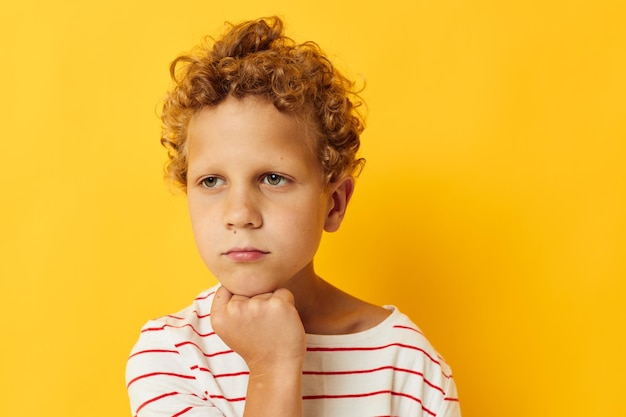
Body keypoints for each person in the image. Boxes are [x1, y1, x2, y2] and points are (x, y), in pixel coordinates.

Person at [126, 16, 461, 417]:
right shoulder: (172, 354)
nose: (239, 214)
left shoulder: (407, 365)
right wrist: (272, 370)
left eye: (273, 178)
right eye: (212, 181)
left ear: (334, 203)